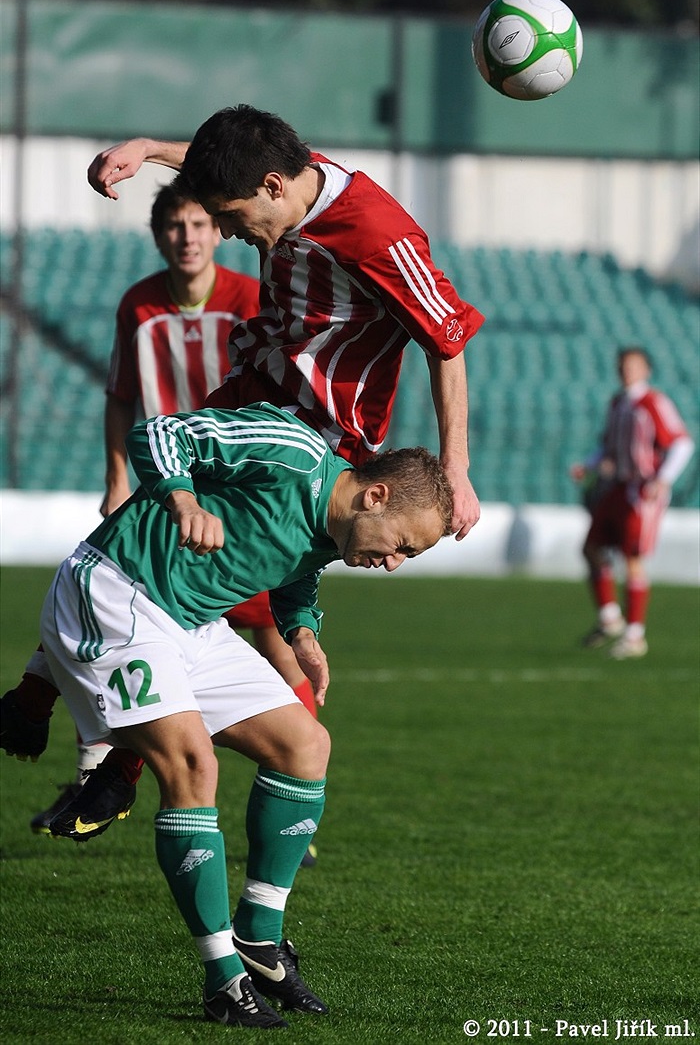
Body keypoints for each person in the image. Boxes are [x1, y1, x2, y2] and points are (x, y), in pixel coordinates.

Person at [2, 103, 485, 833]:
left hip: (322, 435)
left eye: (229, 218)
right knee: (136, 550)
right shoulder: (284, 173)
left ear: (271, 188)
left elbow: (446, 340)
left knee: (221, 591)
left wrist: (456, 472)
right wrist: (149, 148)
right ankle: (54, 709)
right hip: (257, 391)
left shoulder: (377, 232)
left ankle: (128, 766)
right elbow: (234, 158)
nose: (227, 233)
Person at [38, 400, 454, 1027]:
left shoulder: (332, 530)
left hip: (192, 621)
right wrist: (184, 501)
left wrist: (303, 633)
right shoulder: (291, 450)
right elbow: (159, 432)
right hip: (120, 592)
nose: (394, 562)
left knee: (305, 746)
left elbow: (295, 570)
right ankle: (223, 978)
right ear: (376, 497)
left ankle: (259, 936)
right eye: (402, 546)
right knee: (191, 767)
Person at [13, 183, 318, 840]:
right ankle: (96, 772)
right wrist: (117, 474)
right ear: (160, 237)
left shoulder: (249, 299)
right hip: (163, 484)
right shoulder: (139, 303)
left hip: (230, 492)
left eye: (200, 224)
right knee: (109, 609)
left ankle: (293, 787)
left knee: (265, 630)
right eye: (176, 226)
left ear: (218, 232)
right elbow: (122, 395)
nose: (188, 236)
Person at [570, 347, 694, 658]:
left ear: (646, 370)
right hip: (617, 486)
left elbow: (682, 443)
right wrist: (589, 464)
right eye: (624, 365)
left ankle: (635, 636)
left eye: (634, 365)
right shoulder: (618, 403)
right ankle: (610, 618)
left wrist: (663, 479)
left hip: (642, 492)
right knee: (592, 548)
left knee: (632, 559)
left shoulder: (653, 402)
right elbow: (608, 446)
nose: (627, 370)